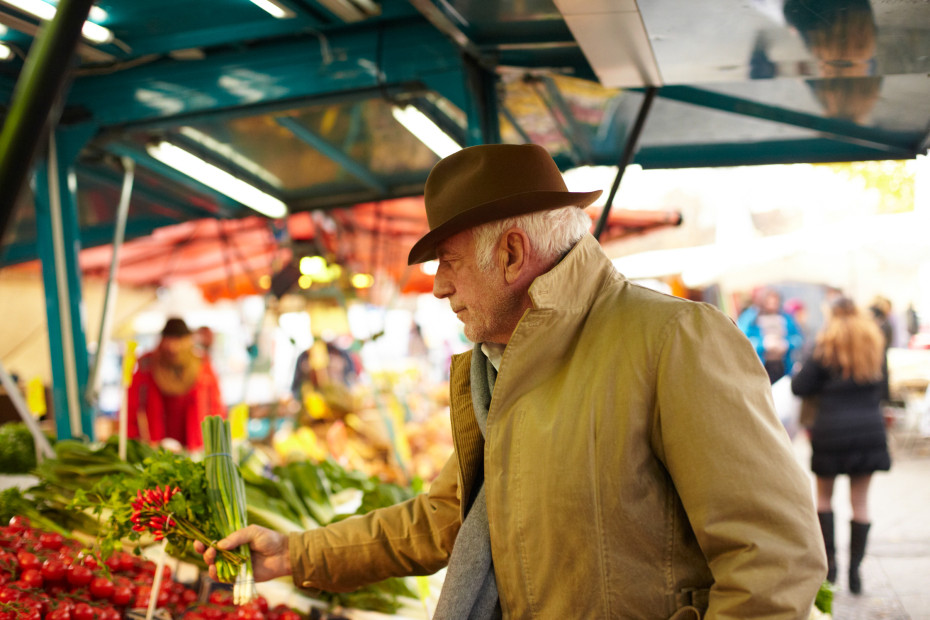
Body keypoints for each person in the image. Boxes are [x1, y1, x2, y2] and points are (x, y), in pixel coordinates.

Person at [198, 144, 826, 618]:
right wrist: (293, 554)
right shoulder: (499, 368)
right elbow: (445, 517)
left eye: (448, 262)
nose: (439, 286)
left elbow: (773, 557)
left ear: (511, 253)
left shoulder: (675, 340)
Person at [791, 297, 890, 595]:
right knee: (860, 503)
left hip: (830, 430)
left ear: (831, 316)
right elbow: (885, 390)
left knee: (824, 498)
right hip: (868, 430)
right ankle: (855, 572)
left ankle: (830, 568)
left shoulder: (824, 345)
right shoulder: (874, 344)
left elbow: (799, 387)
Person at [127, 317, 225, 451]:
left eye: (178, 341)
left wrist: (215, 443)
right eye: (169, 341)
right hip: (155, 447)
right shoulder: (147, 367)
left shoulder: (203, 367)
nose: (173, 348)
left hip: (194, 445)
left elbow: (216, 407)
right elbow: (132, 408)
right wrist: (134, 444)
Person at [738, 287, 804, 383]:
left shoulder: (786, 318)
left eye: (775, 302)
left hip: (783, 365)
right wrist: (763, 344)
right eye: (769, 302)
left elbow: (798, 338)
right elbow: (742, 340)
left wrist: (786, 343)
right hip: (760, 366)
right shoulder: (750, 319)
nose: (772, 305)